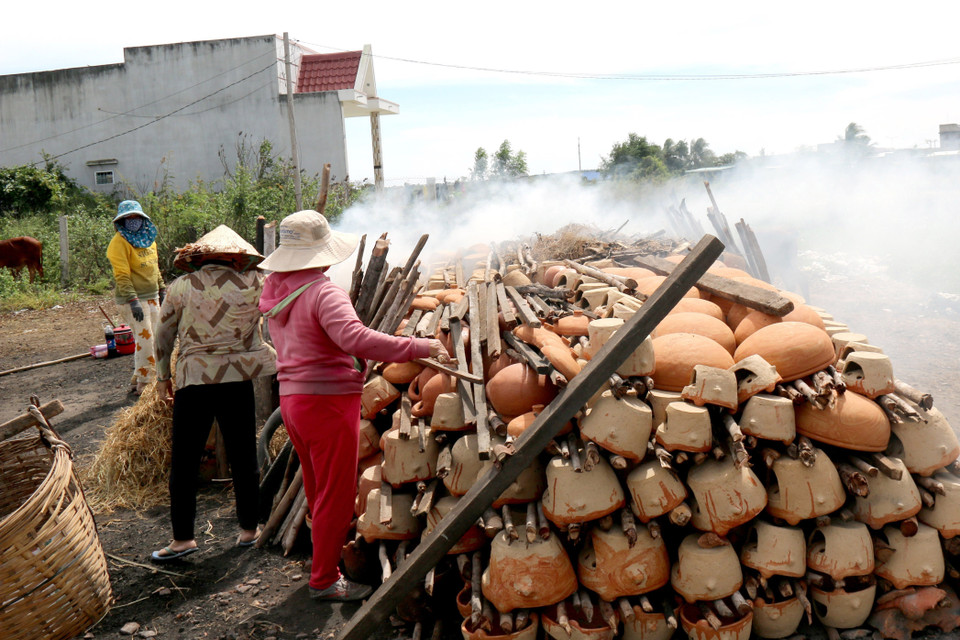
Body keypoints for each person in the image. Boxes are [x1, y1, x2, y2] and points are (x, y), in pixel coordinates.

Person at [258, 209, 446, 602]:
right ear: (321, 253)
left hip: (294, 401)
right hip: (326, 404)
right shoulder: (323, 292)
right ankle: (325, 580)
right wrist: (419, 346)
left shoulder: (277, 291)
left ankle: (321, 566)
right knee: (337, 497)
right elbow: (356, 339)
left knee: (317, 489)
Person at [150, 225, 277, 562]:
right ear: (236, 257)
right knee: (244, 455)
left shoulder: (180, 287)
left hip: (195, 380)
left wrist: (162, 377)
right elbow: (276, 317)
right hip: (238, 378)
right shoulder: (256, 283)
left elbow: (162, 336)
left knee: (185, 459)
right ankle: (250, 530)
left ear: (199, 258)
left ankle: (182, 540)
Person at [106, 200, 165, 395]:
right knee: (145, 339)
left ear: (142, 218)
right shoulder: (119, 243)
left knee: (156, 338)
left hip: (152, 296)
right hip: (133, 301)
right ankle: (145, 384)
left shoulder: (148, 238)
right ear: (121, 221)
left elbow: (154, 266)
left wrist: (162, 289)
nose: (133, 221)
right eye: (128, 218)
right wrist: (133, 301)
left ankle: (140, 375)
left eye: (136, 217)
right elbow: (122, 275)